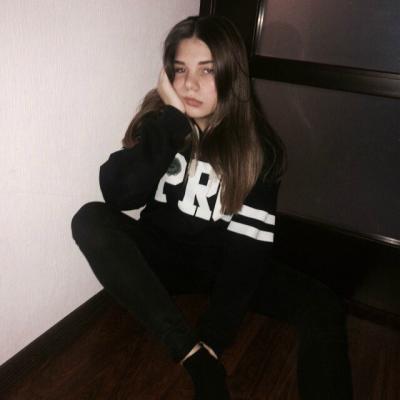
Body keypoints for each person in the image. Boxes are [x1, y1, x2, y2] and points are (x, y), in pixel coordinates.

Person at [71, 15, 353, 400]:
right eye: (180, 70)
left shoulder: (259, 149)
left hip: (225, 263)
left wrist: (215, 338)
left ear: (231, 76)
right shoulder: (160, 124)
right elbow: (118, 195)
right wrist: (171, 122)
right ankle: (190, 356)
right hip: (163, 258)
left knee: (322, 304)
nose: (190, 84)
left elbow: (247, 254)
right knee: (89, 219)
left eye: (207, 70)